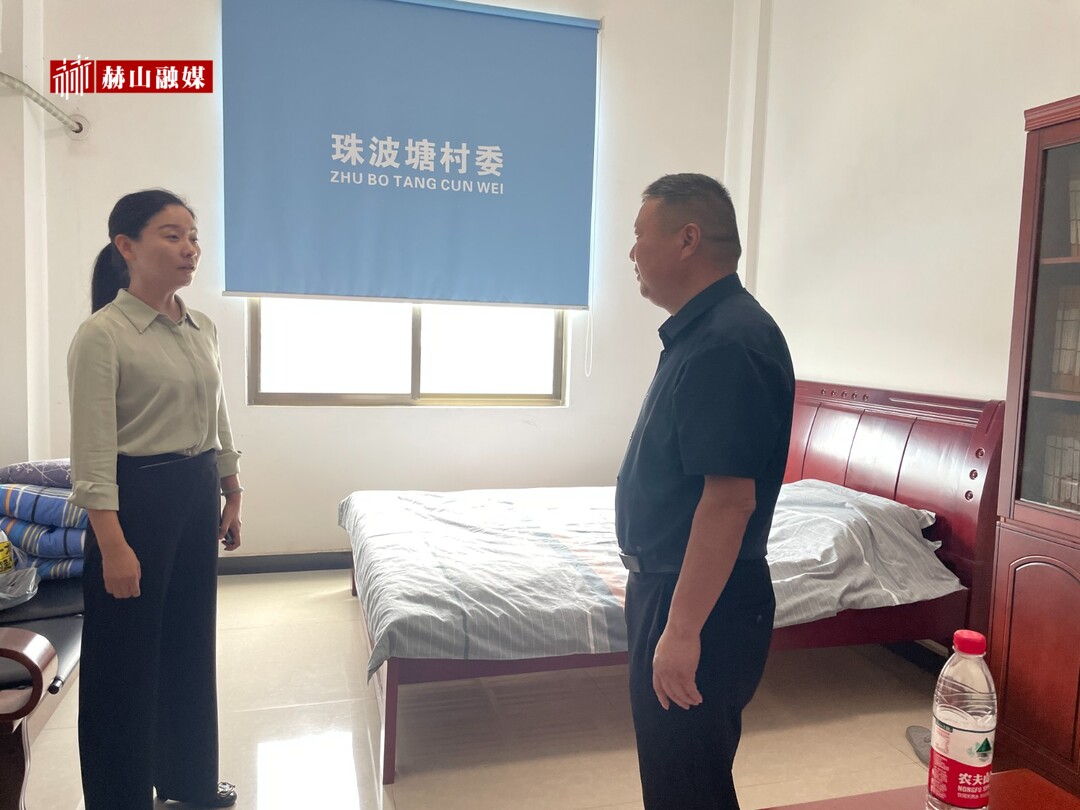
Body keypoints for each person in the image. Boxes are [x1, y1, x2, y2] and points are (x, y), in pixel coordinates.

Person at [615, 173, 795, 809]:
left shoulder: (726, 342)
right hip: (676, 587)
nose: (632, 251)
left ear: (687, 239)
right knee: (682, 780)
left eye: (640, 234)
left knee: (688, 788)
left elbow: (728, 502)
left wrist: (682, 629)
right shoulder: (704, 332)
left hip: (700, 600)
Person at [67, 189, 243, 809]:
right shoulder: (103, 335)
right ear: (127, 246)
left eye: (193, 237)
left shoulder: (202, 327)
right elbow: (92, 452)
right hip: (135, 502)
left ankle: (190, 782)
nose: (190, 248)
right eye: (172, 235)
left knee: (189, 644)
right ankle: (120, 798)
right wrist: (113, 545)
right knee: (124, 661)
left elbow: (217, 414)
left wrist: (231, 488)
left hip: (195, 493)